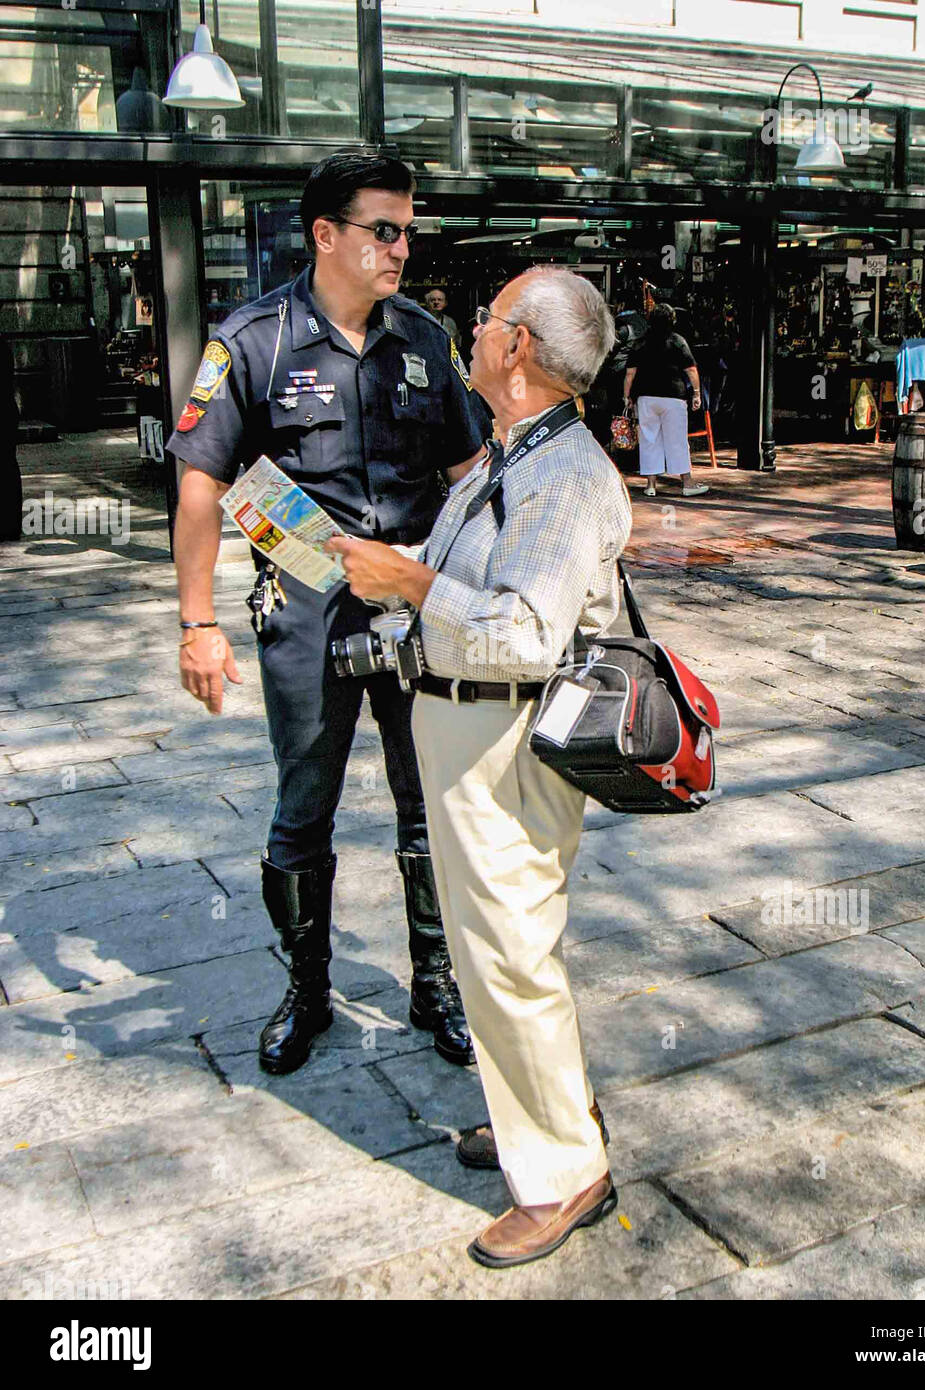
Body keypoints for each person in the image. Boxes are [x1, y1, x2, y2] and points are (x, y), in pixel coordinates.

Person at [326, 266, 631, 1268]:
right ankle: (537, 1121)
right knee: (491, 955)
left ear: (517, 351)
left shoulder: (566, 472)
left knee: (508, 955)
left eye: (487, 318)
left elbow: (526, 634)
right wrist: (394, 564)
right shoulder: (517, 454)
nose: (469, 329)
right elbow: (478, 581)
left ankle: (563, 1176)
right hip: (467, 736)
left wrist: (409, 579)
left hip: (504, 743)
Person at [166, 154, 490, 1076]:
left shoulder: (426, 339)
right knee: (305, 805)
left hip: (415, 605)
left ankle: (438, 984)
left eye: (407, 229)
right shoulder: (254, 341)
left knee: (428, 803)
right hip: (308, 613)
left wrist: (478, 595)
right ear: (326, 235)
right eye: (383, 229)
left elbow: (469, 479)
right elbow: (199, 486)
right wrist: (198, 624)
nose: (401, 247)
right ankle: (306, 990)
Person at [623, 303, 708, 498]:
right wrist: (696, 393)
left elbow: (630, 374)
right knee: (677, 439)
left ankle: (651, 485)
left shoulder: (641, 342)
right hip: (673, 396)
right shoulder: (677, 341)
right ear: (672, 320)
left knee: (649, 439)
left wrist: (627, 396)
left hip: (646, 397)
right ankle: (686, 482)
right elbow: (691, 370)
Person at [0, 336, 22, 542]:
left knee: (6, 467)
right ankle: (10, 524)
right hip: (6, 410)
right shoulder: (4, 345)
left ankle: (9, 524)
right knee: (8, 466)